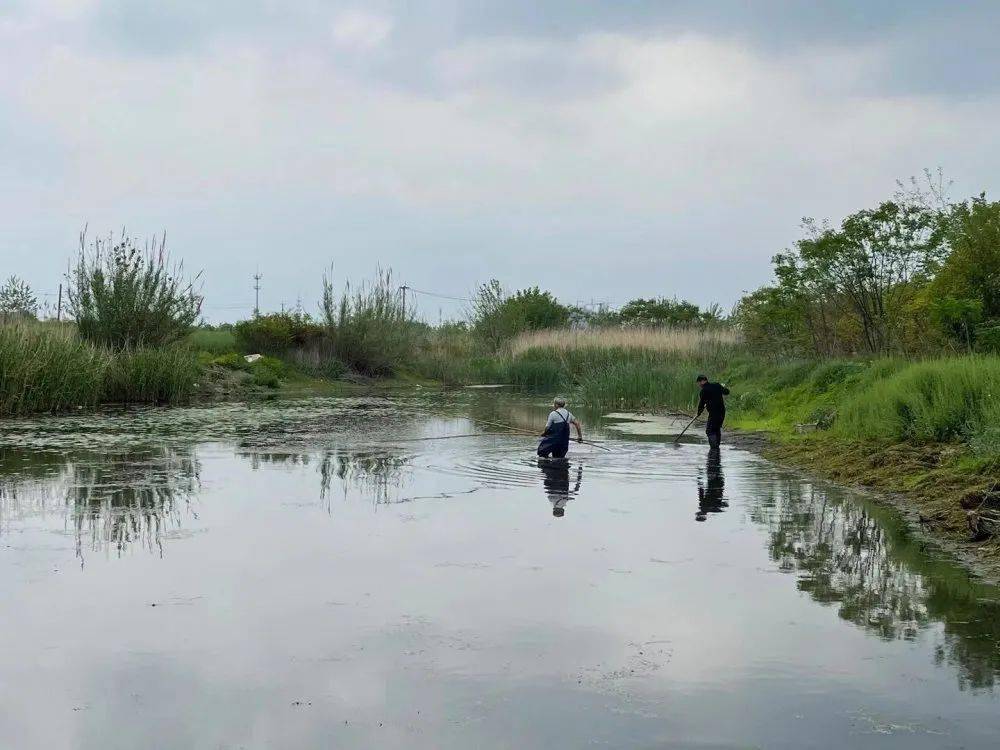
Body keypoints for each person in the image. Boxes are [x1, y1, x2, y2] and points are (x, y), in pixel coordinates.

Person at [696, 375, 730, 450]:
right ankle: (717, 448)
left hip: (714, 413)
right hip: (722, 412)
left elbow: (701, 404)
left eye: (699, 383)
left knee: (709, 431)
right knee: (716, 429)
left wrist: (699, 413)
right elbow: (727, 392)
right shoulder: (717, 385)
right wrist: (722, 387)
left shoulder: (704, 390)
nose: (699, 385)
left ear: (702, 381)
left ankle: (714, 449)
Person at [695, 448, 728, 522]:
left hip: (719, 485)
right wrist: (699, 478)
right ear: (700, 513)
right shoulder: (706, 506)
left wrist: (699, 479)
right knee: (714, 466)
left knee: (717, 467)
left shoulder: (713, 509)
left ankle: (715, 453)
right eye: (698, 513)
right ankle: (714, 452)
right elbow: (701, 490)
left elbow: (701, 491)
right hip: (713, 483)